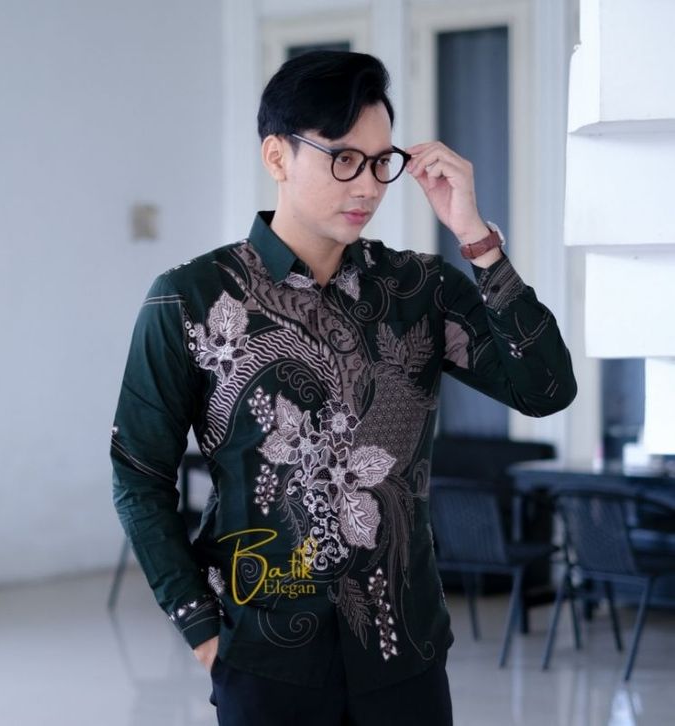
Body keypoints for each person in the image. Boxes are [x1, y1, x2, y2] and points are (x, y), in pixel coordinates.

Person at [110, 50, 576, 725]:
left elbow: (547, 389)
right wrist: (203, 632)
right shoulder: (191, 299)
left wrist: (477, 239)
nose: (367, 186)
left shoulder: (420, 291)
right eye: (344, 159)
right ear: (277, 156)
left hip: (406, 655)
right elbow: (138, 475)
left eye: (381, 162)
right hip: (266, 660)